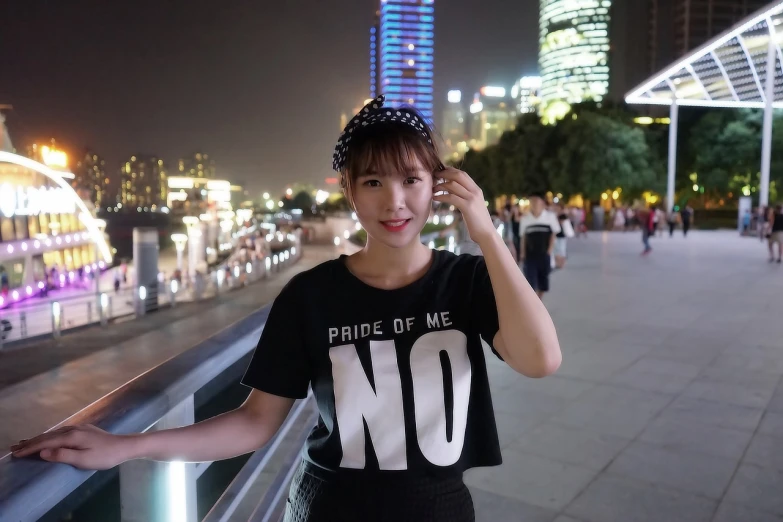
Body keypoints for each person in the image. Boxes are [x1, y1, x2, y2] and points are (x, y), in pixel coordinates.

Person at [10, 95, 562, 522]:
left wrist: (487, 233)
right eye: (373, 182)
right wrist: (126, 447)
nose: (395, 201)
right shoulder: (311, 294)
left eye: (411, 179)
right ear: (349, 190)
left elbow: (541, 360)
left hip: (438, 509)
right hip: (329, 508)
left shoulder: (464, 281)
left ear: (437, 185)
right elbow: (255, 422)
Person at [519, 192, 561, 299]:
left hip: (544, 254)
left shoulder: (550, 217)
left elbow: (554, 234)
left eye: (536, 202)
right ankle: (534, 303)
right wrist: (522, 253)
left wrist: (549, 250)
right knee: (530, 281)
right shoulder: (525, 219)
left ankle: (538, 301)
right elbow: (523, 237)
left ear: (542, 203)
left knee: (543, 282)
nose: (534, 204)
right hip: (530, 255)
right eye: (532, 202)